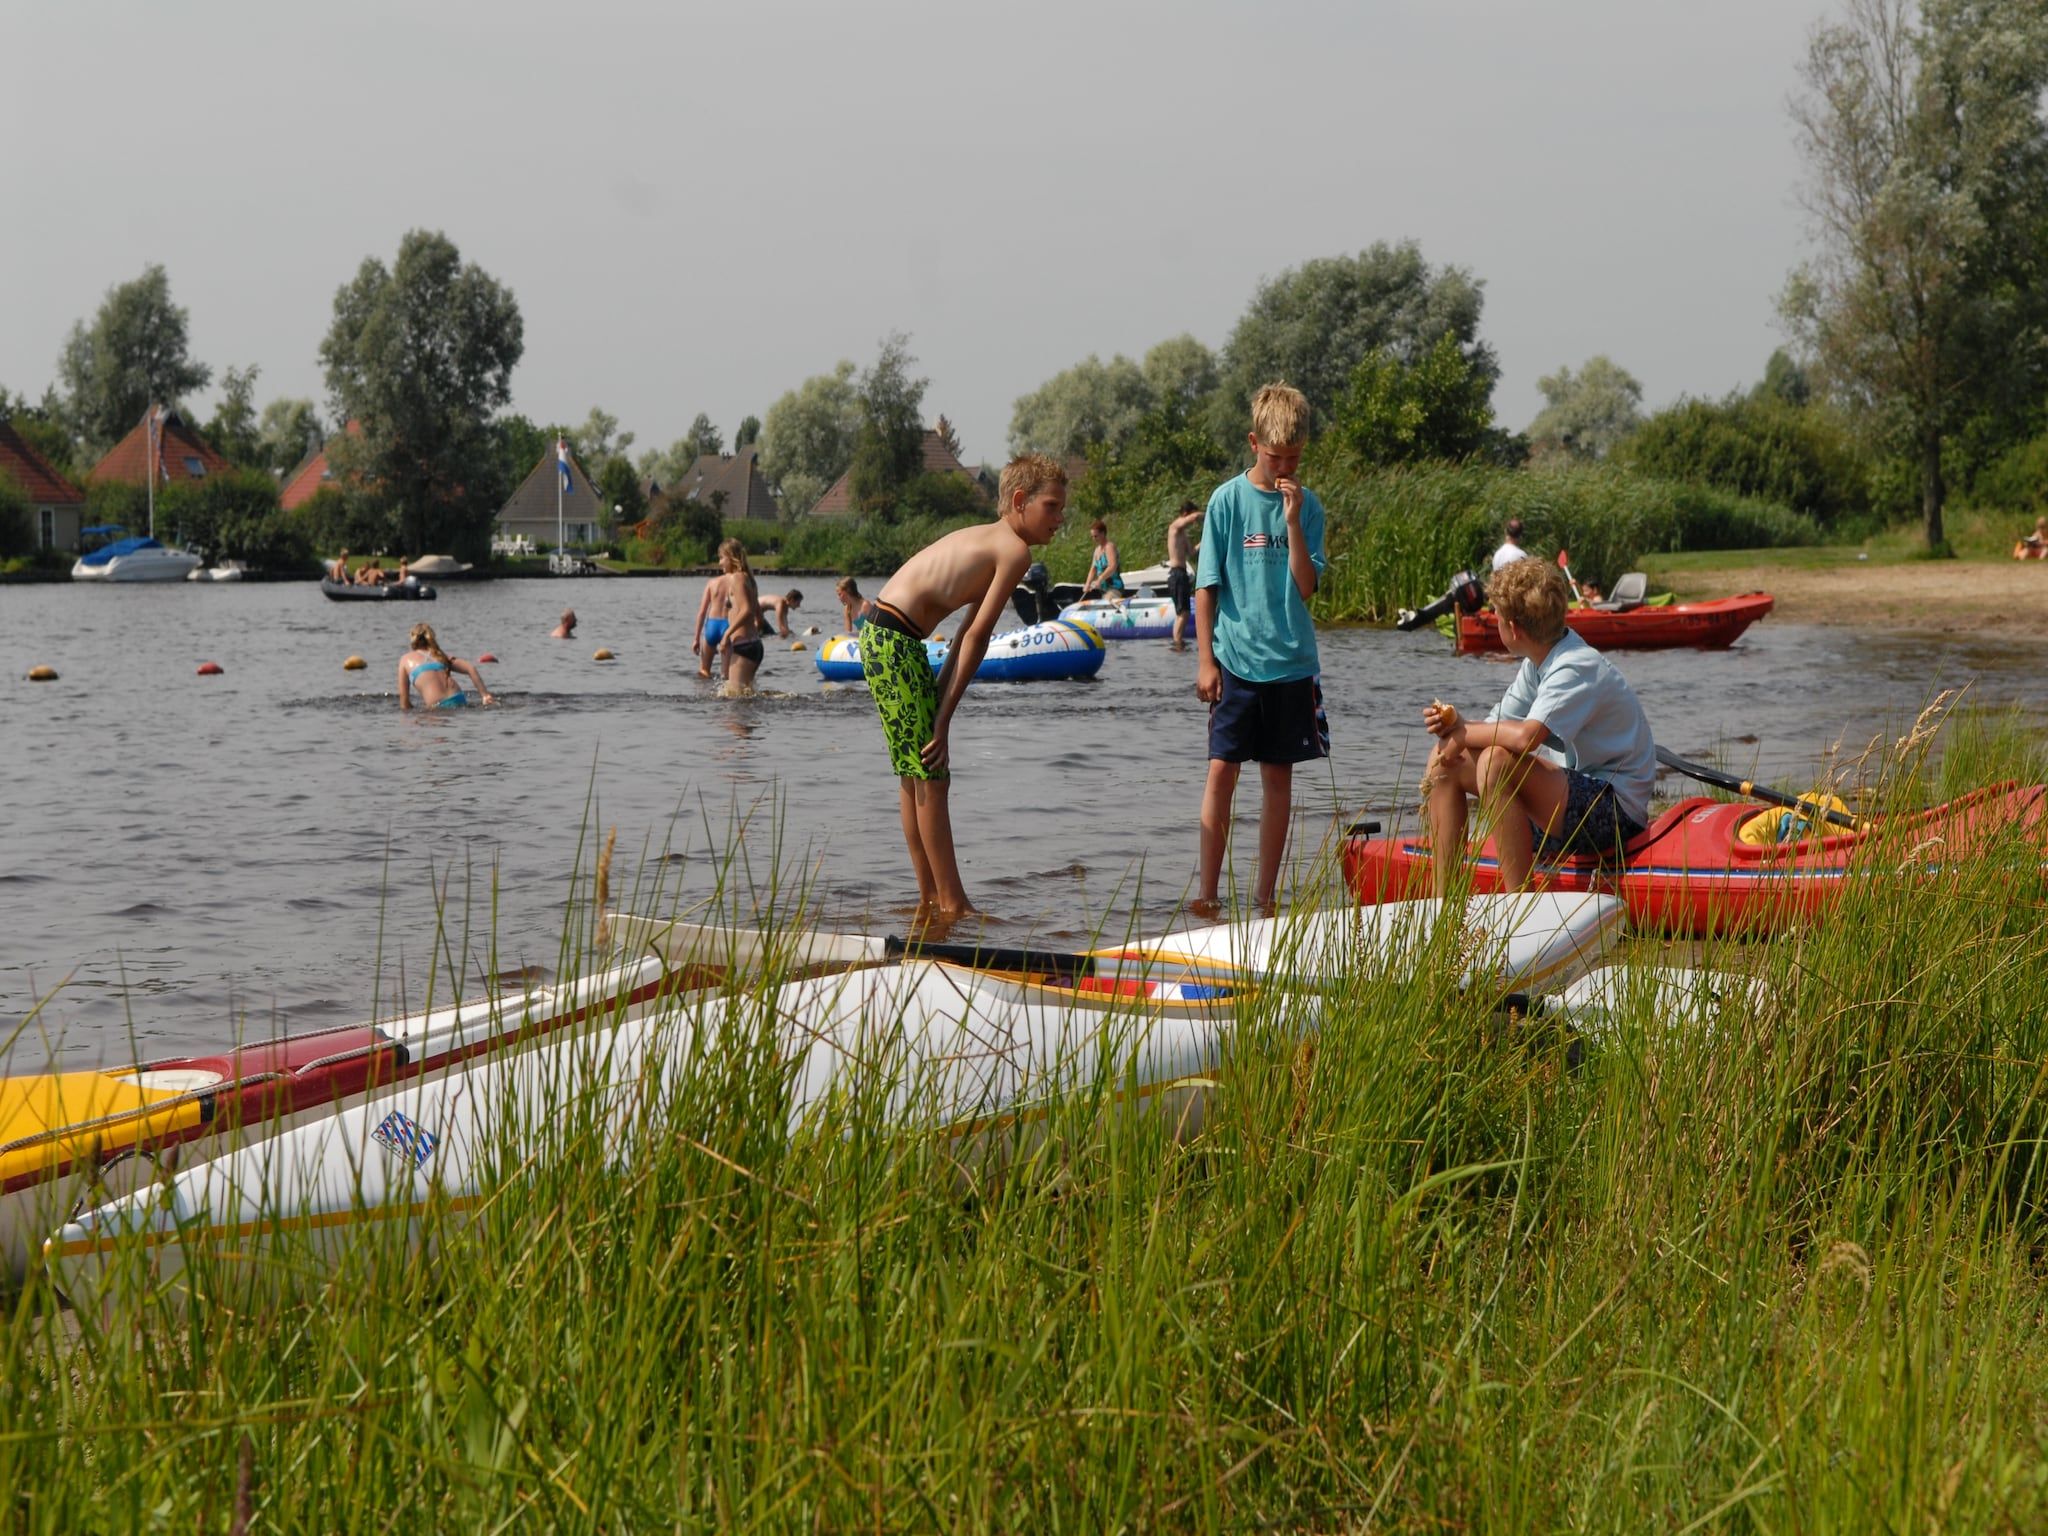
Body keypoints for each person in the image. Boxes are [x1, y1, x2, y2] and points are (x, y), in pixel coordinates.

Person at [864, 453, 1068, 914]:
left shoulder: (994, 541)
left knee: (914, 776)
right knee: (930, 776)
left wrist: (939, 695)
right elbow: (976, 638)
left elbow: (963, 634)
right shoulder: (1015, 552)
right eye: (1052, 507)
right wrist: (944, 721)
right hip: (895, 639)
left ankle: (930, 901)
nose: (1060, 517)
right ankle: (953, 906)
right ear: (1020, 501)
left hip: (884, 634)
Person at [1421, 557, 1655, 893]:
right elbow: (1496, 726)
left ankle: (1519, 901)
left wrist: (1463, 730)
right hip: (1569, 801)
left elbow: (1526, 737)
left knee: (1496, 762)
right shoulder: (1538, 662)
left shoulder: (1575, 665)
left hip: (1617, 814)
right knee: (1445, 759)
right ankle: (1444, 901)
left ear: (1513, 629)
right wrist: (1455, 731)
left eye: (1497, 616)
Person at [1195, 383, 1328, 915]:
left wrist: (1292, 521)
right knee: (1222, 771)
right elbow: (1207, 586)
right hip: (1236, 661)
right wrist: (1205, 659)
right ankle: (1207, 896)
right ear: (1254, 443)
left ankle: (1264, 899)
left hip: (1291, 664)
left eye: (1294, 458)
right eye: (1275, 457)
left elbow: (1305, 586)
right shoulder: (1226, 500)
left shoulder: (1308, 506)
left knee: (1277, 778)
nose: (1284, 468)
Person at [398, 622, 494, 710]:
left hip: (437, 706)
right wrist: (485, 695)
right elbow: (470, 668)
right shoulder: (439, 655)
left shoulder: (405, 660)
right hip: (458, 698)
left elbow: (404, 703)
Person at [691, 541, 742, 678]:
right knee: (726, 675)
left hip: (711, 626)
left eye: (721, 558)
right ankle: (722, 699)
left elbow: (702, 613)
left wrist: (696, 638)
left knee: (704, 670)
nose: (719, 563)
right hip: (728, 626)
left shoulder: (712, 583)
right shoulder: (739, 582)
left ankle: (702, 696)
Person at [718, 565, 767, 696]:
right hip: (753, 644)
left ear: (730, 557)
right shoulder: (749, 579)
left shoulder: (737, 578)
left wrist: (727, 634)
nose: (720, 562)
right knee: (746, 696)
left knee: (735, 700)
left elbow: (747, 610)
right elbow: (760, 618)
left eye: (722, 557)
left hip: (744, 646)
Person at [1165, 501, 1203, 651]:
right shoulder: (1174, 527)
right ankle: (1177, 643)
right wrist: (1205, 515)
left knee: (1184, 612)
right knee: (1183, 613)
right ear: (1186, 513)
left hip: (1182, 573)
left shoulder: (1183, 534)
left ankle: (1178, 641)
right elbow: (1190, 519)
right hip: (1176, 574)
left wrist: (1204, 539)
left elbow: (1191, 552)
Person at [1078, 519, 1124, 601]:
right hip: (1103, 590)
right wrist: (1087, 584)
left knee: (1106, 601)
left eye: (1096, 536)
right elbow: (1093, 569)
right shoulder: (1097, 550)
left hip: (1114, 588)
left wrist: (1100, 579)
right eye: (1092, 536)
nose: (1094, 539)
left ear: (1103, 534)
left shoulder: (1109, 547)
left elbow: (1112, 566)